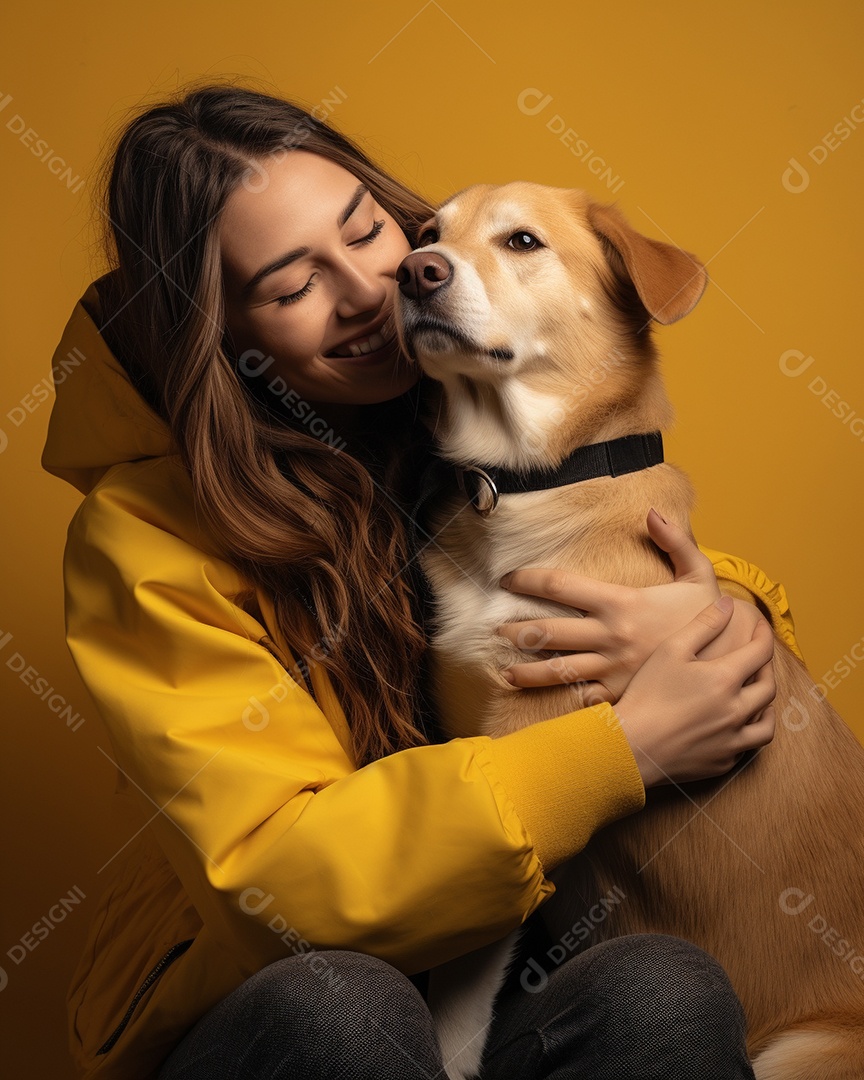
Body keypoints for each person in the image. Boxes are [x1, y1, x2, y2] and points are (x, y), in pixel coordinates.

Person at [42, 83, 797, 1080]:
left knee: (660, 986)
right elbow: (286, 878)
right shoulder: (139, 540)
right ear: (217, 339)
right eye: (289, 285)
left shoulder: (450, 390)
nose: (367, 290)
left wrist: (717, 611)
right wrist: (625, 748)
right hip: (273, 999)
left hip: (487, 971)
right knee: (345, 1006)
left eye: (367, 230)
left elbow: (603, 528)